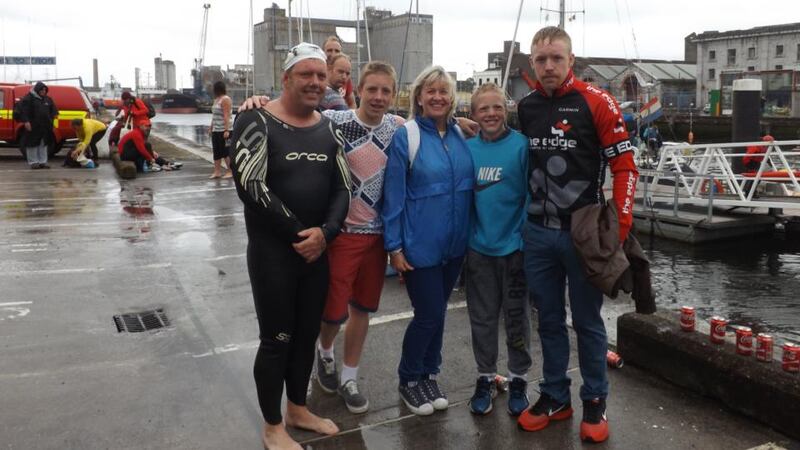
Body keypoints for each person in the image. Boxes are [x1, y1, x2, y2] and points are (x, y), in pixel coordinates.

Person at [515, 27, 638, 443]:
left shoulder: (597, 102)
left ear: (571, 61)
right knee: (548, 319)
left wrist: (619, 229)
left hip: (583, 236)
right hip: (538, 234)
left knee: (587, 322)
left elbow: (625, 167)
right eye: (541, 59)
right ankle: (554, 395)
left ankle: (595, 400)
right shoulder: (527, 107)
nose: (548, 66)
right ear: (532, 62)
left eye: (556, 58)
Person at [228, 42, 350, 450]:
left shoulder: (329, 127)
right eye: (306, 74)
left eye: (320, 75)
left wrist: (325, 234)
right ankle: (272, 424)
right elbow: (250, 185)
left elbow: (343, 188)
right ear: (286, 78)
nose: (315, 82)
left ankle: (298, 407)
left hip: (316, 252)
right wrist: (303, 234)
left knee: (305, 335)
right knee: (276, 338)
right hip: (274, 255)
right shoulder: (255, 121)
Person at [381, 66, 474, 416]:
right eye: (430, 91)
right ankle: (408, 379)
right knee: (428, 314)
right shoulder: (407, 136)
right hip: (419, 245)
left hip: (454, 246)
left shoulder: (461, 135)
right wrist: (394, 246)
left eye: (444, 91)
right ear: (419, 96)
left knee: (439, 315)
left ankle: (428, 374)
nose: (437, 97)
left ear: (451, 99)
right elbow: (394, 196)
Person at [313, 62, 404, 414]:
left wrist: (460, 123)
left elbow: (430, 128)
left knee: (363, 309)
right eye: (373, 89)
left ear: (393, 95)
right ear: (360, 90)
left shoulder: (397, 127)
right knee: (333, 311)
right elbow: (294, 121)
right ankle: (325, 353)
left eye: (386, 91)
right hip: (343, 235)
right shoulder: (335, 122)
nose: (379, 97)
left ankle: (350, 376)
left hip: (378, 237)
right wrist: (256, 104)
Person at [464, 83, 532, 417]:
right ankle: (486, 377)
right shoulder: (468, 150)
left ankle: (518, 378)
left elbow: (531, 197)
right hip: (479, 250)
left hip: (515, 249)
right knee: (483, 319)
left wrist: (522, 239)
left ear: (505, 110)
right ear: (473, 114)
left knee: (517, 318)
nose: (491, 114)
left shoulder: (521, 147)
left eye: (496, 108)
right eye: (483, 109)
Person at [18, 81, 58, 169]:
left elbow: (53, 110)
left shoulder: (48, 99)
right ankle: (33, 162)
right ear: (37, 89)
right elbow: (24, 111)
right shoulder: (29, 98)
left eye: (45, 90)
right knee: (32, 144)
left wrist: (53, 118)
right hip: (33, 125)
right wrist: (26, 122)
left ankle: (43, 162)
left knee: (43, 144)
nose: (44, 91)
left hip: (45, 126)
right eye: (42, 90)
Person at [323, 36, 356, 109]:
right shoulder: (317, 74)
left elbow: (351, 103)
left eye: (337, 51)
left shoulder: (345, 77)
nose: (333, 54)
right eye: (329, 50)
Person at [208, 81, 233, 179]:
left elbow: (226, 116)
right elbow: (214, 116)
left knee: (226, 152)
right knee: (217, 151)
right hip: (216, 130)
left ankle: (230, 171)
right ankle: (217, 171)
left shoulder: (226, 99)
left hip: (225, 130)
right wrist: (211, 127)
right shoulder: (216, 100)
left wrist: (226, 130)